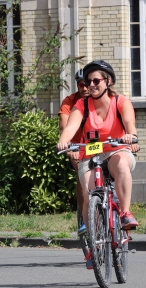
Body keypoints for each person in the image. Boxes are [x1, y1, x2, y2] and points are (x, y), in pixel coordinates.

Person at [56, 60, 140, 269]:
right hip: (90, 152)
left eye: (96, 80)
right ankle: (95, 241)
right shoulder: (81, 105)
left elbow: (130, 124)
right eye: (87, 82)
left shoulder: (121, 101)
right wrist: (64, 140)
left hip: (116, 149)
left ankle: (125, 213)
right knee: (88, 191)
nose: (91, 85)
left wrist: (131, 136)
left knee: (120, 165)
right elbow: (70, 126)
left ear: (108, 81)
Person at [58, 68, 89, 236]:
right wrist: (68, 147)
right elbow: (64, 126)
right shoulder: (69, 102)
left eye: (87, 84)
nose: (84, 88)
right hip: (77, 147)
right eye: (80, 85)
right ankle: (84, 216)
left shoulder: (98, 100)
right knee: (82, 172)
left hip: (97, 144)